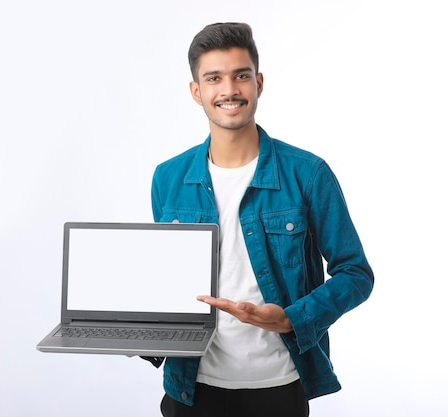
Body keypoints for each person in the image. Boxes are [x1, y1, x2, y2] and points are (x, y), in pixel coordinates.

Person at [145, 22, 374, 417]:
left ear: (259, 82)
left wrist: (291, 318)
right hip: (191, 391)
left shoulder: (308, 173)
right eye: (214, 78)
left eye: (241, 76)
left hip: (278, 389)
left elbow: (356, 273)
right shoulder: (168, 177)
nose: (229, 90)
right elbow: (168, 281)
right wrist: (143, 335)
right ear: (196, 91)